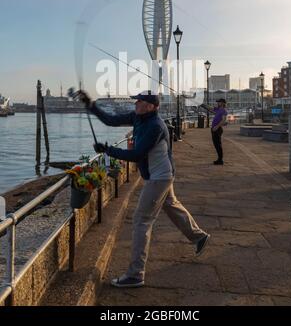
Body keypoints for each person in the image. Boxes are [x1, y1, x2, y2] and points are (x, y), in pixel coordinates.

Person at [77, 89, 210, 288]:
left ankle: (136, 274)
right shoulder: (138, 117)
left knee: (141, 220)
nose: (135, 104)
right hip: (161, 175)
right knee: (172, 205)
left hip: (159, 178)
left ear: (150, 106)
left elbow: (137, 155)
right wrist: (92, 105)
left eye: (139, 102)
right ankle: (199, 237)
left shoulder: (155, 126)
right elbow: (110, 120)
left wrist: (108, 150)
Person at [201, 98, 227, 165]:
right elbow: (210, 108)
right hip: (214, 129)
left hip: (217, 129)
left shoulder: (223, 111)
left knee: (218, 145)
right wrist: (203, 105)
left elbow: (223, 120)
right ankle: (219, 159)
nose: (217, 103)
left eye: (219, 102)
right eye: (217, 102)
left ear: (222, 103)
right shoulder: (218, 109)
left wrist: (217, 126)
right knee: (216, 145)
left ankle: (220, 160)